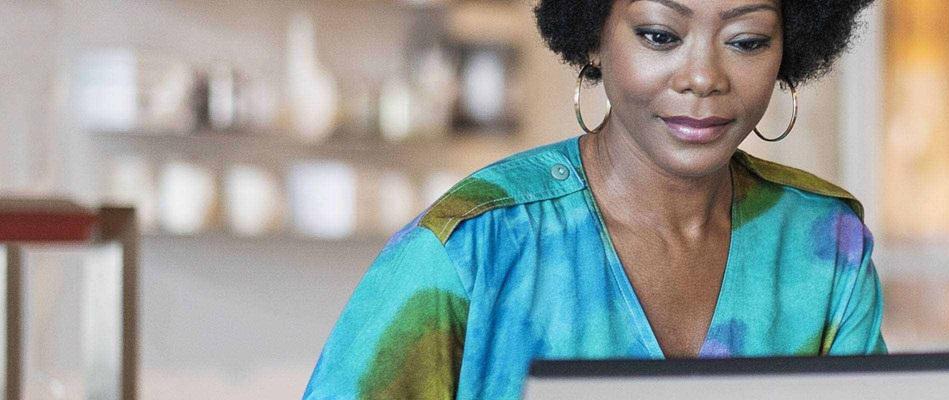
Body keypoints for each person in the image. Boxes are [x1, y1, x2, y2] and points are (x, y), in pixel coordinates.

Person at [304, 0, 881, 397]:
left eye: (747, 41)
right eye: (660, 36)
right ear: (595, 38)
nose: (704, 77)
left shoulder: (826, 246)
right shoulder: (473, 246)